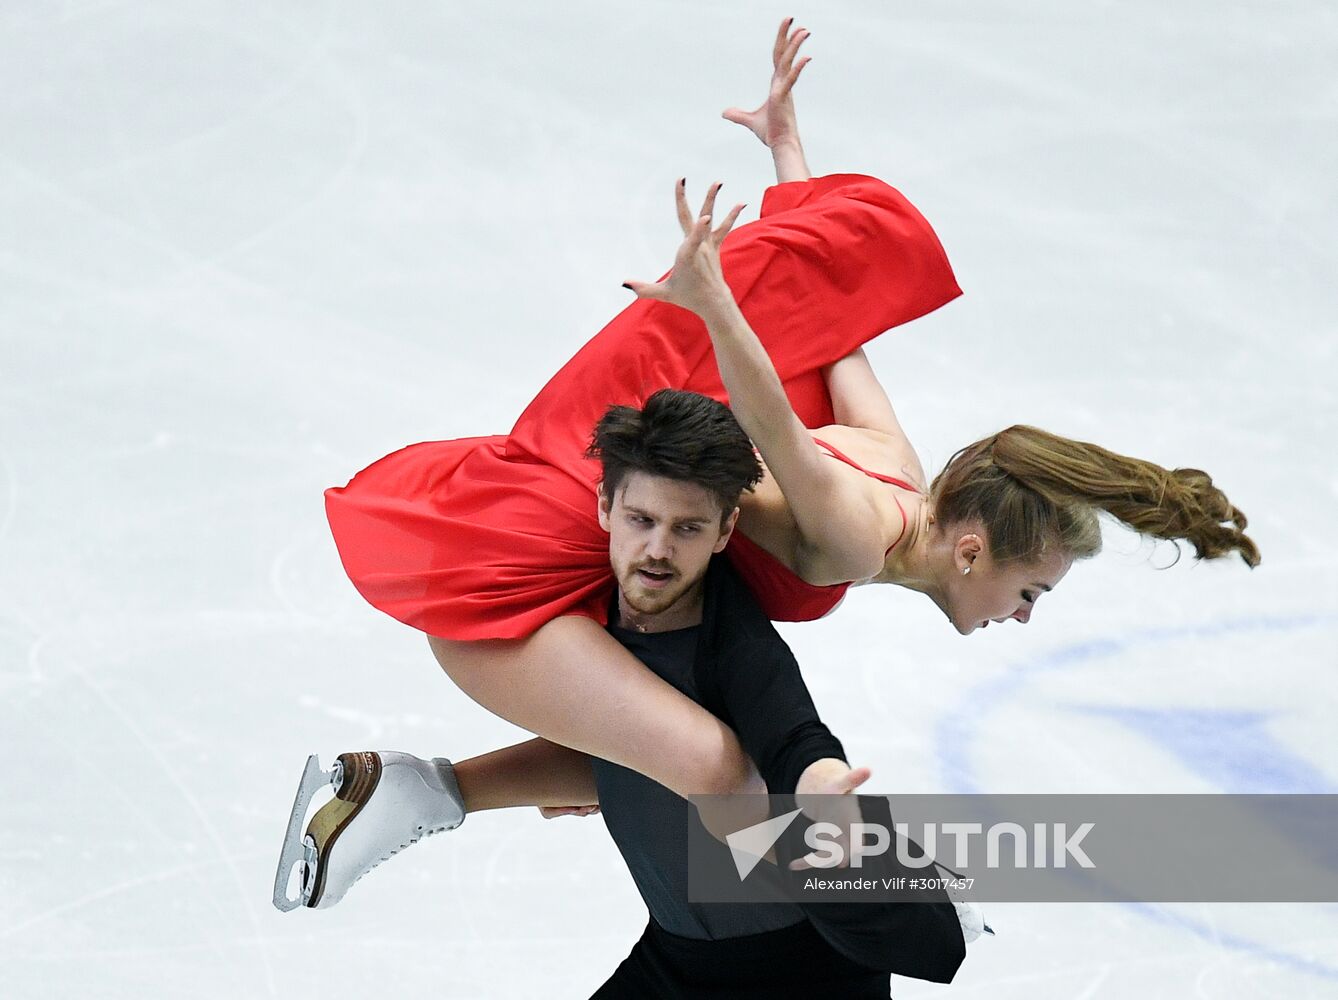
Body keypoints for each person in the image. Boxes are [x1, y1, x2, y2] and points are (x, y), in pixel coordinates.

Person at [300, 18, 1259, 870]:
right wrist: (715, 305)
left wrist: (790, 159)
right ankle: (889, 902)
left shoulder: (897, 460)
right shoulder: (857, 531)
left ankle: (387, 793)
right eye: (1028, 592)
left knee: (668, 762)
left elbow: (826, 321)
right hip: (515, 574)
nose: (1022, 615)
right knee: (718, 767)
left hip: (585, 573)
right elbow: (770, 425)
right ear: (972, 549)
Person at [280, 389, 971, 997]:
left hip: (801, 975)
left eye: (688, 528)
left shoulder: (735, 647)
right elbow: (621, 754)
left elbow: (790, 730)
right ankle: (422, 790)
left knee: (721, 770)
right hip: (677, 960)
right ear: (605, 506)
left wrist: (824, 785)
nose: (659, 550)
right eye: (643, 520)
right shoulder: (590, 632)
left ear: (727, 531)